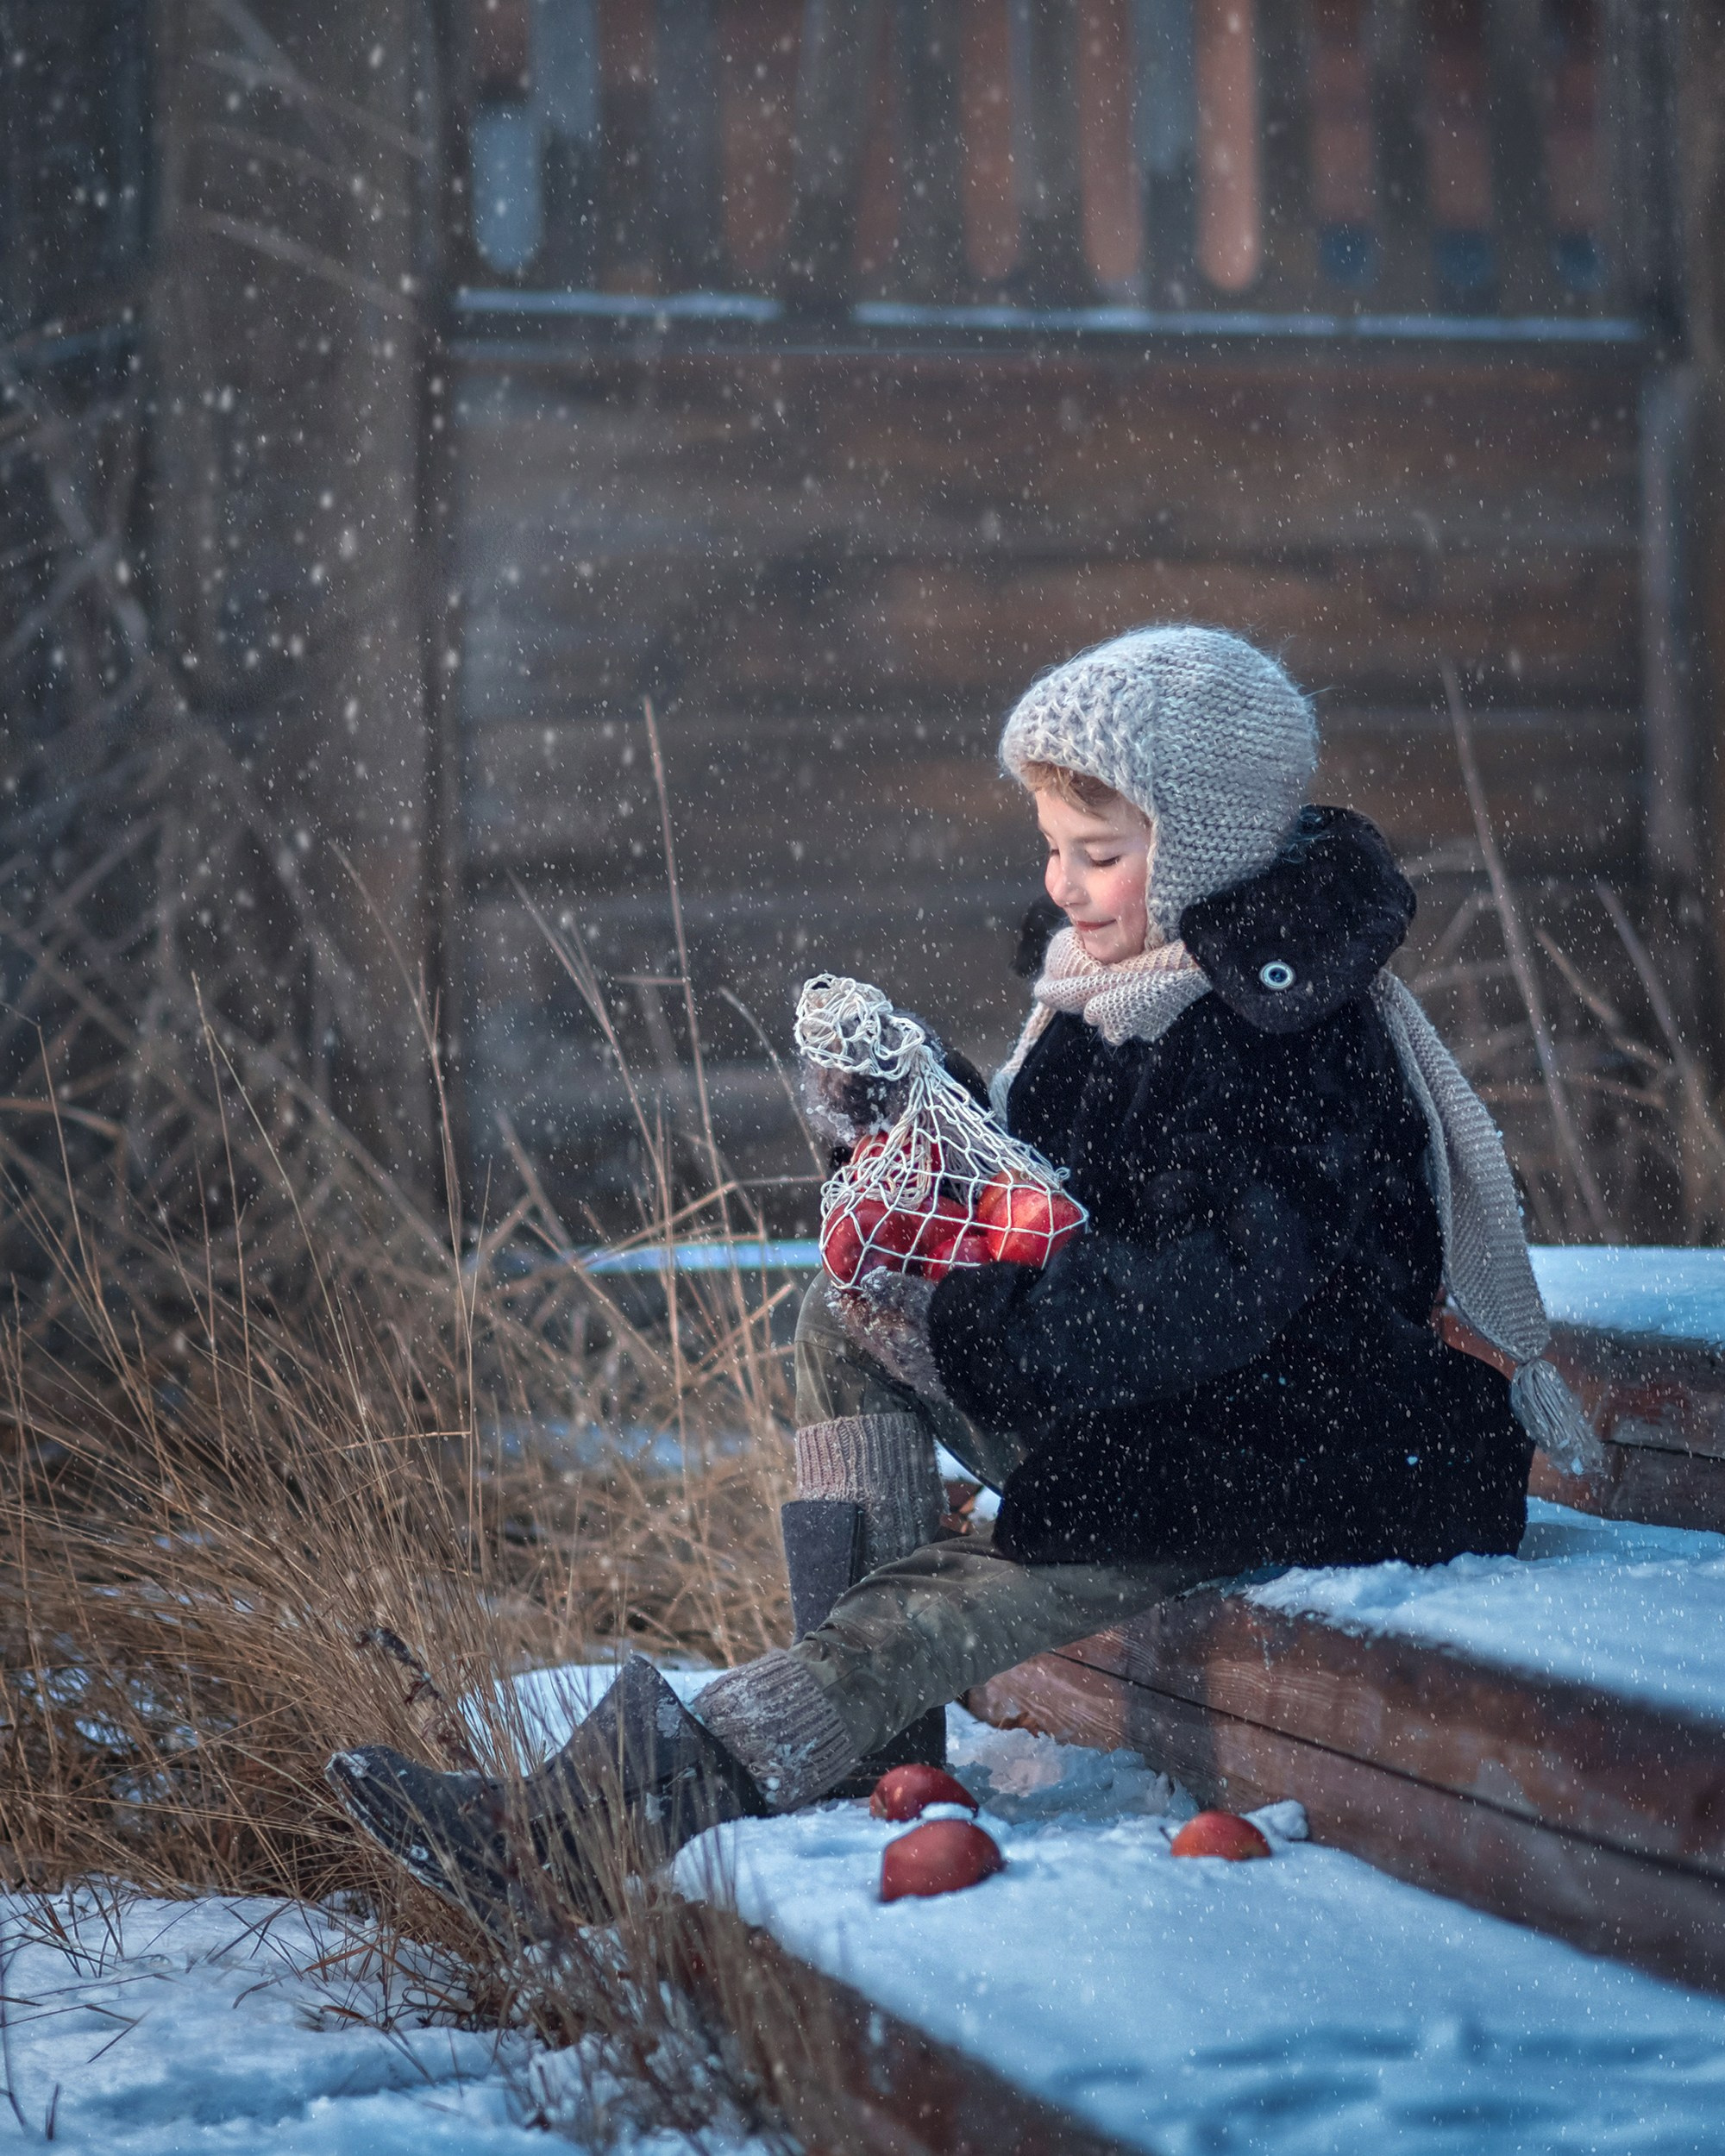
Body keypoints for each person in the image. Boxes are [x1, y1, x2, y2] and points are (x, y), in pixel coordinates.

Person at [328, 625, 1587, 1934]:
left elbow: (1224, 1293)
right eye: (1051, 848)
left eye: (1101, 855)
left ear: (1206, 841)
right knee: (852, 1317)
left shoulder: (1292, 1045)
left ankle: (581, 1836)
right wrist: (910, 1125)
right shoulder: (1111, 992)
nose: (1066, 885)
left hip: (1291, 1450)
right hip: (1154, 1414)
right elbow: (1036, 1187)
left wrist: (1000, 1326)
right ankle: (873, 1743)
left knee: (938, 1606)